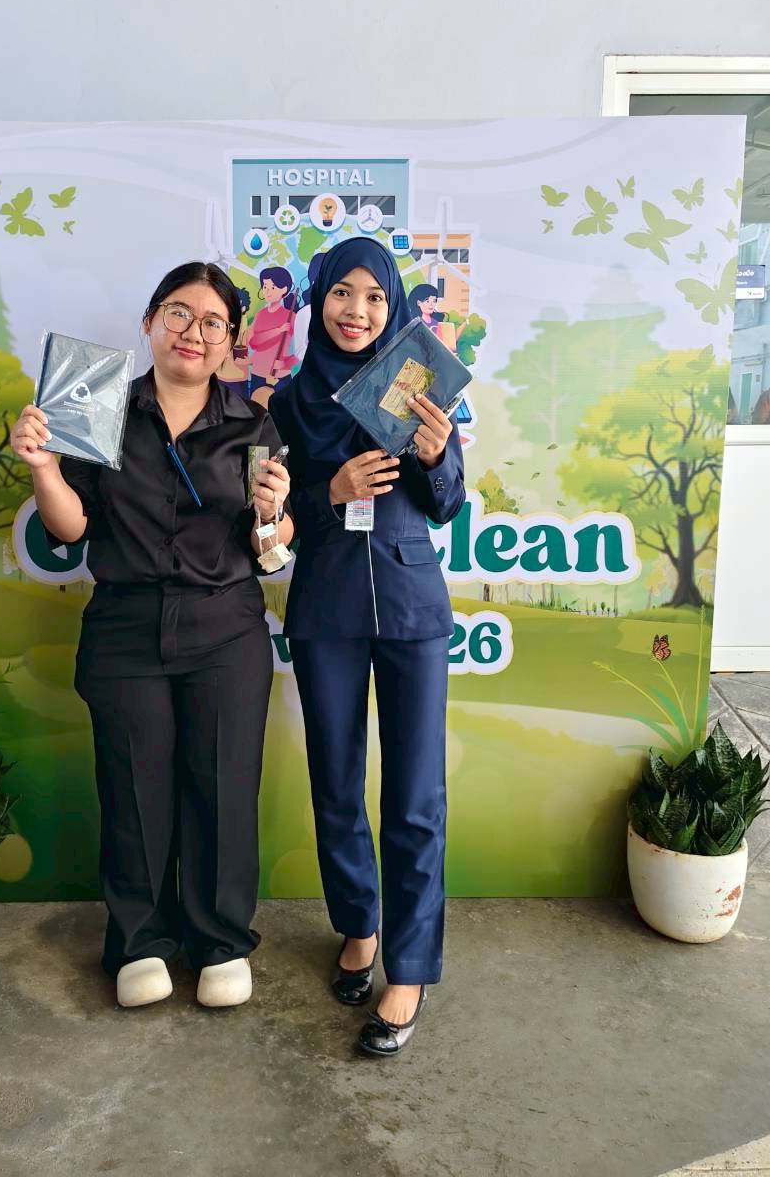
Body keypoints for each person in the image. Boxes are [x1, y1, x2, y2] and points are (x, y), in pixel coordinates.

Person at [11, 262, 293, 1011]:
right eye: (178, 314)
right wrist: (43, 469)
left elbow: (271, 545)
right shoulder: (99, 408)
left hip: (225, 627)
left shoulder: (252, 425)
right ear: (149, 321)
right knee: (134, 789)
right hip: (126, 628)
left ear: (231, 342)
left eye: (212, 323)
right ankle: (138, 941)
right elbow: (71, 528)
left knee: (223, 788)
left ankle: (221, 941)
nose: (193, 333)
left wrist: (273, 513)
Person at [269, 237, 466, 1057]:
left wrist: (437, 454)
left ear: (394, 306)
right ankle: (358, 927)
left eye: (375, 296)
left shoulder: (416, 383)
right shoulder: (288, 400)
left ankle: (409, 969)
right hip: (326, 606)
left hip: (413, 604)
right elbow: (277, 518)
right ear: (319, 300)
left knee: (416, 798)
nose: (357, 311)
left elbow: (445, 504)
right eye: (342, 293)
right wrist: (331, 490)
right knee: (337, 787)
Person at [246, 266, 298, 404]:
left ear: (284, 289)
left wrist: (286, 363)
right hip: (258, 374)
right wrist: (278, 330)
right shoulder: (260, 315)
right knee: (257, 412)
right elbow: (254, 342)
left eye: (273, 287)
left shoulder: (291, 317)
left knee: (282, 413)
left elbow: (304, 348)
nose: (267, 291)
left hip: (280, 377)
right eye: (265, 286)